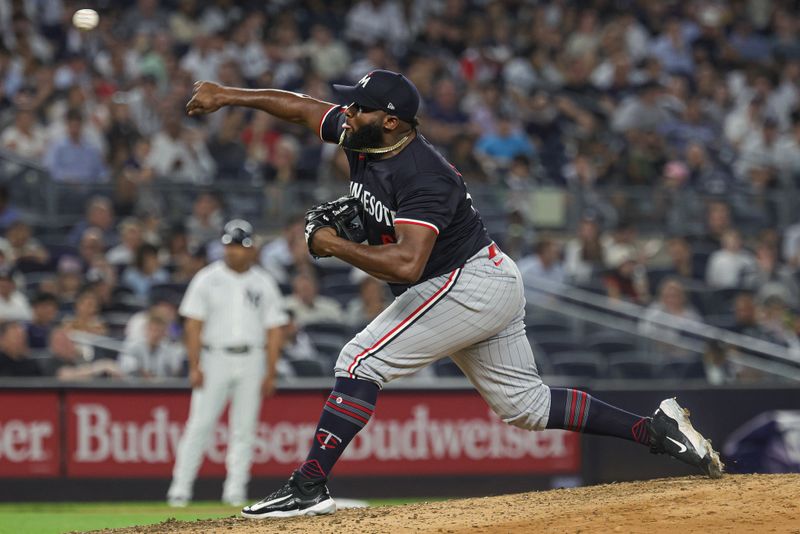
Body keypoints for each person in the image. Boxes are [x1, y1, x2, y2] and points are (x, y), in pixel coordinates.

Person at [186, 69, 723, 519]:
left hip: (466, 282)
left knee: (359, 360)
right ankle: (655, 429)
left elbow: (406, 261)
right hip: (480, 277)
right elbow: (302, 109)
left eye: (359, 107)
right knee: (527, 406)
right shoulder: (362, 133)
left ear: (391, 119)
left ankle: (308, 487)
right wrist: (230, 95)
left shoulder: (425, 174)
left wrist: (329, 243)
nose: (346, 113)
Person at [167, 219, 288, 508]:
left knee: (244, 429)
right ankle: (180, 489)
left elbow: (274, 330)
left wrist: (270, 371)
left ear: (252, 249)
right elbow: (193, 325)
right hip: (214, 357)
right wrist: (194, 364)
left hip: (251, 358)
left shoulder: (263, 281)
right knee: (199, 425)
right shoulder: (207, 278)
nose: (234, 252)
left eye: (241, 246)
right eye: (230, 246)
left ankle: (235, 491)